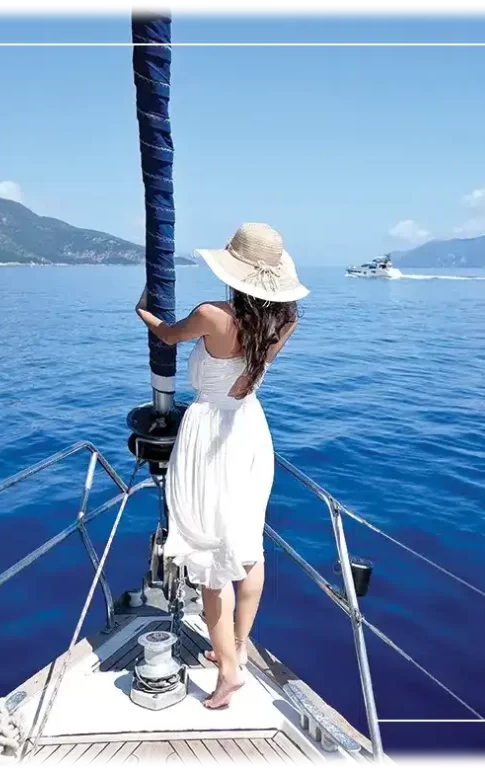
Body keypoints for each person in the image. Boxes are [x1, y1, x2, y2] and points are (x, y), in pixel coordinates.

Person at [135, 222, 309, 710]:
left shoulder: (212, 314)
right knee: (247, 546)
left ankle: (229, 671)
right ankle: (236, 644)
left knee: (212, 555)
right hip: (250, 430)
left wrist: (143, 313)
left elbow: (168, 336)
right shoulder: (286, 320)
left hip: (210, 431)